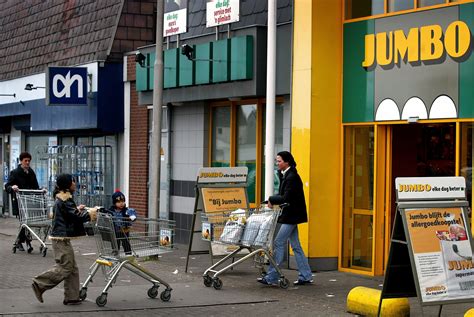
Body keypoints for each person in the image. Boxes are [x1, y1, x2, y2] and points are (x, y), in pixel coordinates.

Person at [31, 174, 97, 305]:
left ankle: (72, 297)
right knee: (66, 266)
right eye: (73, 182)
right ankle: (40, 283)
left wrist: (77, 209)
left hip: (61, 238)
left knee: (72, 267)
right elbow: (76, 217)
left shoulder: (63, 198)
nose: (75, 184)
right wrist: (91, 213)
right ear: (67, 184)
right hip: (60, 239)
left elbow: (69, 214)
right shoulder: (65, 198)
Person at [258, 151, 313, 286]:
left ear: (287, 162)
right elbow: (284, 194)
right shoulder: (288, 175)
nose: (277, 163)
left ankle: (272, 276)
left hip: (291, 216)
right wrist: (269, 200)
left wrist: (272, 199)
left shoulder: (292, 177)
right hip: (292, 215)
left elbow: (286, 197)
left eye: (279, 161)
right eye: (277, 161)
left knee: (278, 243)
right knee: (296, 246)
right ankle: (305, 276)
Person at [4, 152, 41, 252]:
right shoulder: (15, 172)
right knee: (25, 222)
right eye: (26, 161)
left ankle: (19, 241)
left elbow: (36, 187)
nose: (27, 163)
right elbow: (7, 186)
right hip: (20, 201)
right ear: (21, 161)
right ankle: (27, 243)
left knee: (26, 223)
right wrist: (12, 187)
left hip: (29, 202)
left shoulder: (31, 172)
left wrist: (41, 190)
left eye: (29, 161)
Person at [105, 190, 137, 255]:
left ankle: (128, 254)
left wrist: (132, 216)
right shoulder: (111, 210)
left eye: (122, 201)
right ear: (114, 203)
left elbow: (131, 212)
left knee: (126, 243)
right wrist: (106, 217)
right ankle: (115, 254)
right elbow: (106, 215)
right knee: (115, 244)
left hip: (124, 231)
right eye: (119, 202)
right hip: (114, 231)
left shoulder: (126, 210)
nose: (121, 203)